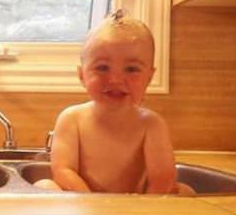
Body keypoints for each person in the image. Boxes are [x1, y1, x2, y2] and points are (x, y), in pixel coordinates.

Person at [36, 10, 194, 195]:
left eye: (132, 69)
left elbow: (162, 178)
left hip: (134, 210)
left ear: (149, 77)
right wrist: (93, 204)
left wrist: (143, 214)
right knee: (44, 186)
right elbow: (63, 171)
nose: (116, 79)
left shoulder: (151, 124)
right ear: (82, 75)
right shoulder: (72, 119)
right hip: (82, 207)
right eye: (102, 67)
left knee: (184, 192)